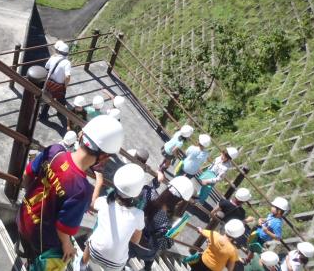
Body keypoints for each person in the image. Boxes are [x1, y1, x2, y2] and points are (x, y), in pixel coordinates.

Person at [17, 115, 124, 269]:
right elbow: (63, 229)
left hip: (22, 217)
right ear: (104, 157)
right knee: (64, 254)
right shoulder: (82, 189)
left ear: (81, 135)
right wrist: (68, 246)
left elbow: (27, 175)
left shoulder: (55, 151)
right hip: (40, 240)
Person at [81, 164, 145, 271]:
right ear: (136, 193)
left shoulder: (105, 202)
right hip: (115, 263)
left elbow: (92, 205)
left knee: (92, 240)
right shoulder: (139, 214)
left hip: (94, 251)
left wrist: (99, 183)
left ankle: (81, 266)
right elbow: (135, 240)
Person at [130, 175, 195, 270]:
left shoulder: (152, 196)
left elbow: (147, 189)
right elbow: (164, 245)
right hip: (147, 248)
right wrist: (171, 238)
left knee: (126, 255)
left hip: (133, 238)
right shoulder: (169, 223)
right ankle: (147, 269)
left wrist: (156, 180)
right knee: (150, 257)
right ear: (180, 201)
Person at [245, 197, 288, 264]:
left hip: (262, 239)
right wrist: (261, 220)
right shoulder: (272, 215)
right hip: (258, 232)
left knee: (255, 250)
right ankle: (249, 257)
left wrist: (267, 232)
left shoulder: (277, 223)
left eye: (274, 207)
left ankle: (251, 261)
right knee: (251, 245)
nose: (271, 207)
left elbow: (278, 237)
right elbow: (267, 220)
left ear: (279, 211)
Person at [40, 40, 71, 120]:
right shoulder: (67, 63)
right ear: (66, 53)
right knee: (61, 100)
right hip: (59, 86)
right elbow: (67, 76)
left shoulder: (53, 57)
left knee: (47, 99)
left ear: (59, 51)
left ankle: (43, 115)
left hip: (49, 82)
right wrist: (65, 86)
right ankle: (60, 113)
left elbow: (46, 67)